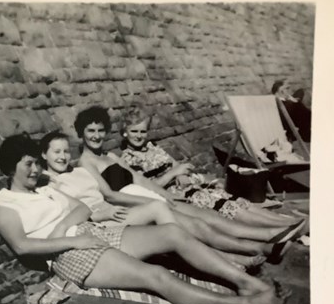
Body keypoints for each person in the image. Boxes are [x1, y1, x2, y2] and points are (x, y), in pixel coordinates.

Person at [0, 133, 290, 304]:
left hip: (87, 232)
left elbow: (81, 208)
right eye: (28, 164)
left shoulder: (44, 189)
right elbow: (22, 246)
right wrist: (69, 241)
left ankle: (250, 284)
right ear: (9, 167)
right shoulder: (4, 204)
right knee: (155, 275)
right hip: (69, 254)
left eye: (35, 164)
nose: (35, 170)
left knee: (173, 233)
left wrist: (64, 227)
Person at [74, 106, 305, 258]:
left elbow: (140, 179)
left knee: (208, 218)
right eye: (91, 131)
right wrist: (154, 200)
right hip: (136, 205)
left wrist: (165, 195)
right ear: (81, 133)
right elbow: (110, 195)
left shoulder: (111, 156)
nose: (96, 135)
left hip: (151, 197)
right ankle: (263, 241)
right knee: (198, 226)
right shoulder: (86, 162)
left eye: (100, 130)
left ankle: (269, 239)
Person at [39, 130, 269, 268]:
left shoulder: (78, 171)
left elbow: (108, 194)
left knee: (163, 210)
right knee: (168, 216)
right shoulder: (50, 183)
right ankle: (229, 258)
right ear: (44, 155)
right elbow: (72, 213)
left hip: (113, 210)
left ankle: (230, 254)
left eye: (65, 151)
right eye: (56, 152)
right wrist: (101, 213)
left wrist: (145, 201)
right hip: (98, 221)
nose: (62, 156)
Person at [119, 108, 302, 225]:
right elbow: (146, 187)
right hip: (173, 194)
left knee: (231, 198)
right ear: (124, 133)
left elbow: (173, 163)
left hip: (185, 184)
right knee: (221, 204)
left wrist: (179, 172)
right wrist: (174, 173)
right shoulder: (129, 158)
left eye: (142, 131)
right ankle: (279, 226)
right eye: (134, 131)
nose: (139, 135)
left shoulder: (152, 146)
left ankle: (286, 222)